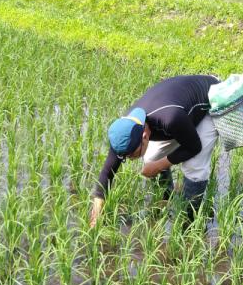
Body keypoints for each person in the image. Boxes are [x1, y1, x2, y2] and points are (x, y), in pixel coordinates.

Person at [90, 74, 221, 227]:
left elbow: (194, 146)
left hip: (208, 103)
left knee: (194, 167)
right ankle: (167, 197)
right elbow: (107, 172)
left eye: (132, 154)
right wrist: (96, 213)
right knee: (152, 157)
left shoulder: (170, 118)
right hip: (180, 112)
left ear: (145, 136)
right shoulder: (125, 129)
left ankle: (189, 222)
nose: (130, 159)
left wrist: (158, 166)